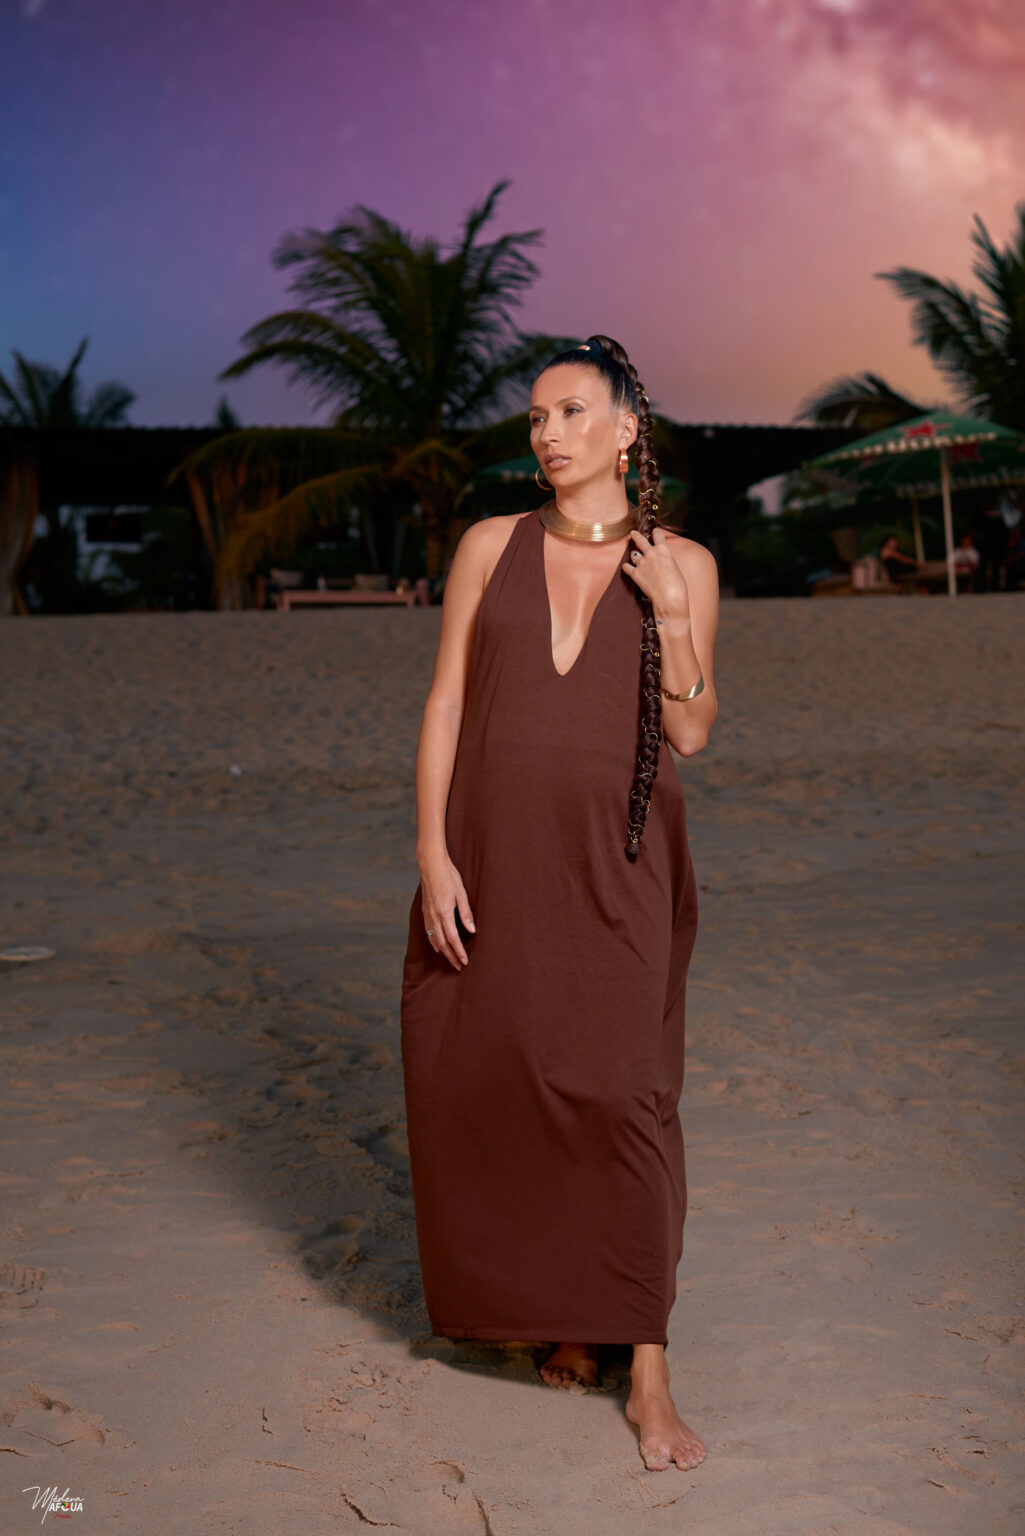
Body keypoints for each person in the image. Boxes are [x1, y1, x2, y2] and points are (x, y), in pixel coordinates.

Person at [400, 334, 719, 1474]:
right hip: (495, 855)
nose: (547, 433)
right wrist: (432, 851)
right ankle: (565, 1317)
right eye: (535, 417)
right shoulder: (489, 546)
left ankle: (648, 1370)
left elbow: (691, 730)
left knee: (623, 1092)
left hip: (619, 867)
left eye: (571, 412)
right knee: (511, 1076)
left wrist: (669, 611)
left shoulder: (682, 561)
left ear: (626, 429)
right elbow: (445, 702)